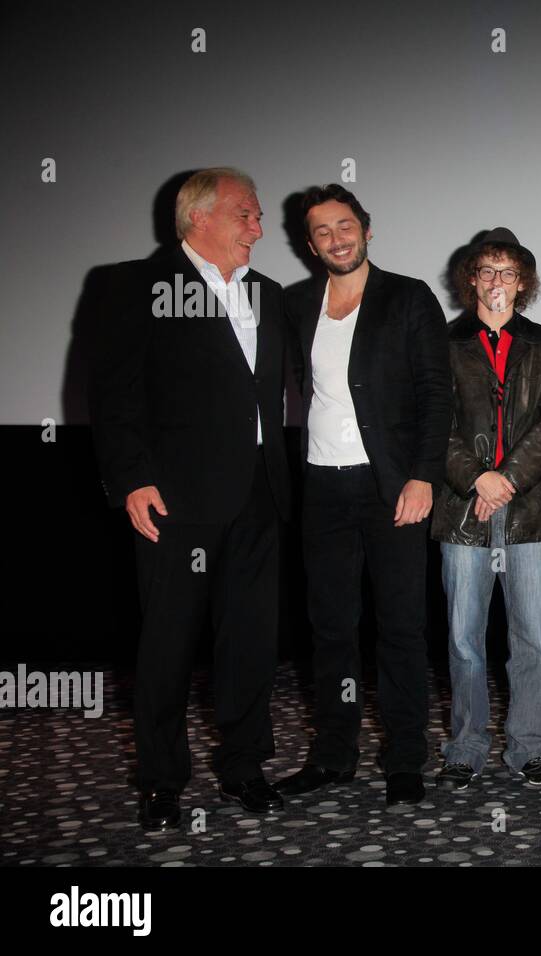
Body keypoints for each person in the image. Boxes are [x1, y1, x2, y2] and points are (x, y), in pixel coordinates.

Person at [91, 167, 293, 828]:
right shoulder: (135, 285)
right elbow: (113, 395)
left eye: (258, 216)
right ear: (198, 217)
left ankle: (244, 766)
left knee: (250, 642)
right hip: (176, 501)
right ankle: (161, 779)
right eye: (247, 214)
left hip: (260, 495)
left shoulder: (267, 294)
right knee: (167, 644)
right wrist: (131, 479)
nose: (260, 229)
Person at [275, 185, 451, 808]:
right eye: (321, 231)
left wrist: (423, 475)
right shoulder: (297, 304)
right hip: (323, 488)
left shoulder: (407, 297)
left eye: (345, 226)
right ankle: (333, 756)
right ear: (308, 244)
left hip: (392, 489)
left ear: (367, 230)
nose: (336, 239)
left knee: (401, 628)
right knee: (330, 629)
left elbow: (437, 394)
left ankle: (405, 758)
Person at [430, 228, 541, 790]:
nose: (495, 282)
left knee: (532, 639)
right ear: (470, 279)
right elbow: (432, 424)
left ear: (523, 283)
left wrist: (505, 480)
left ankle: (530, 747)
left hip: (531, 509)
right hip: (463, 511)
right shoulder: (441, 344)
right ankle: (465, 747)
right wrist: (477, 479)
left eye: (507, 272)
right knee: (464, 639)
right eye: (486, 271)